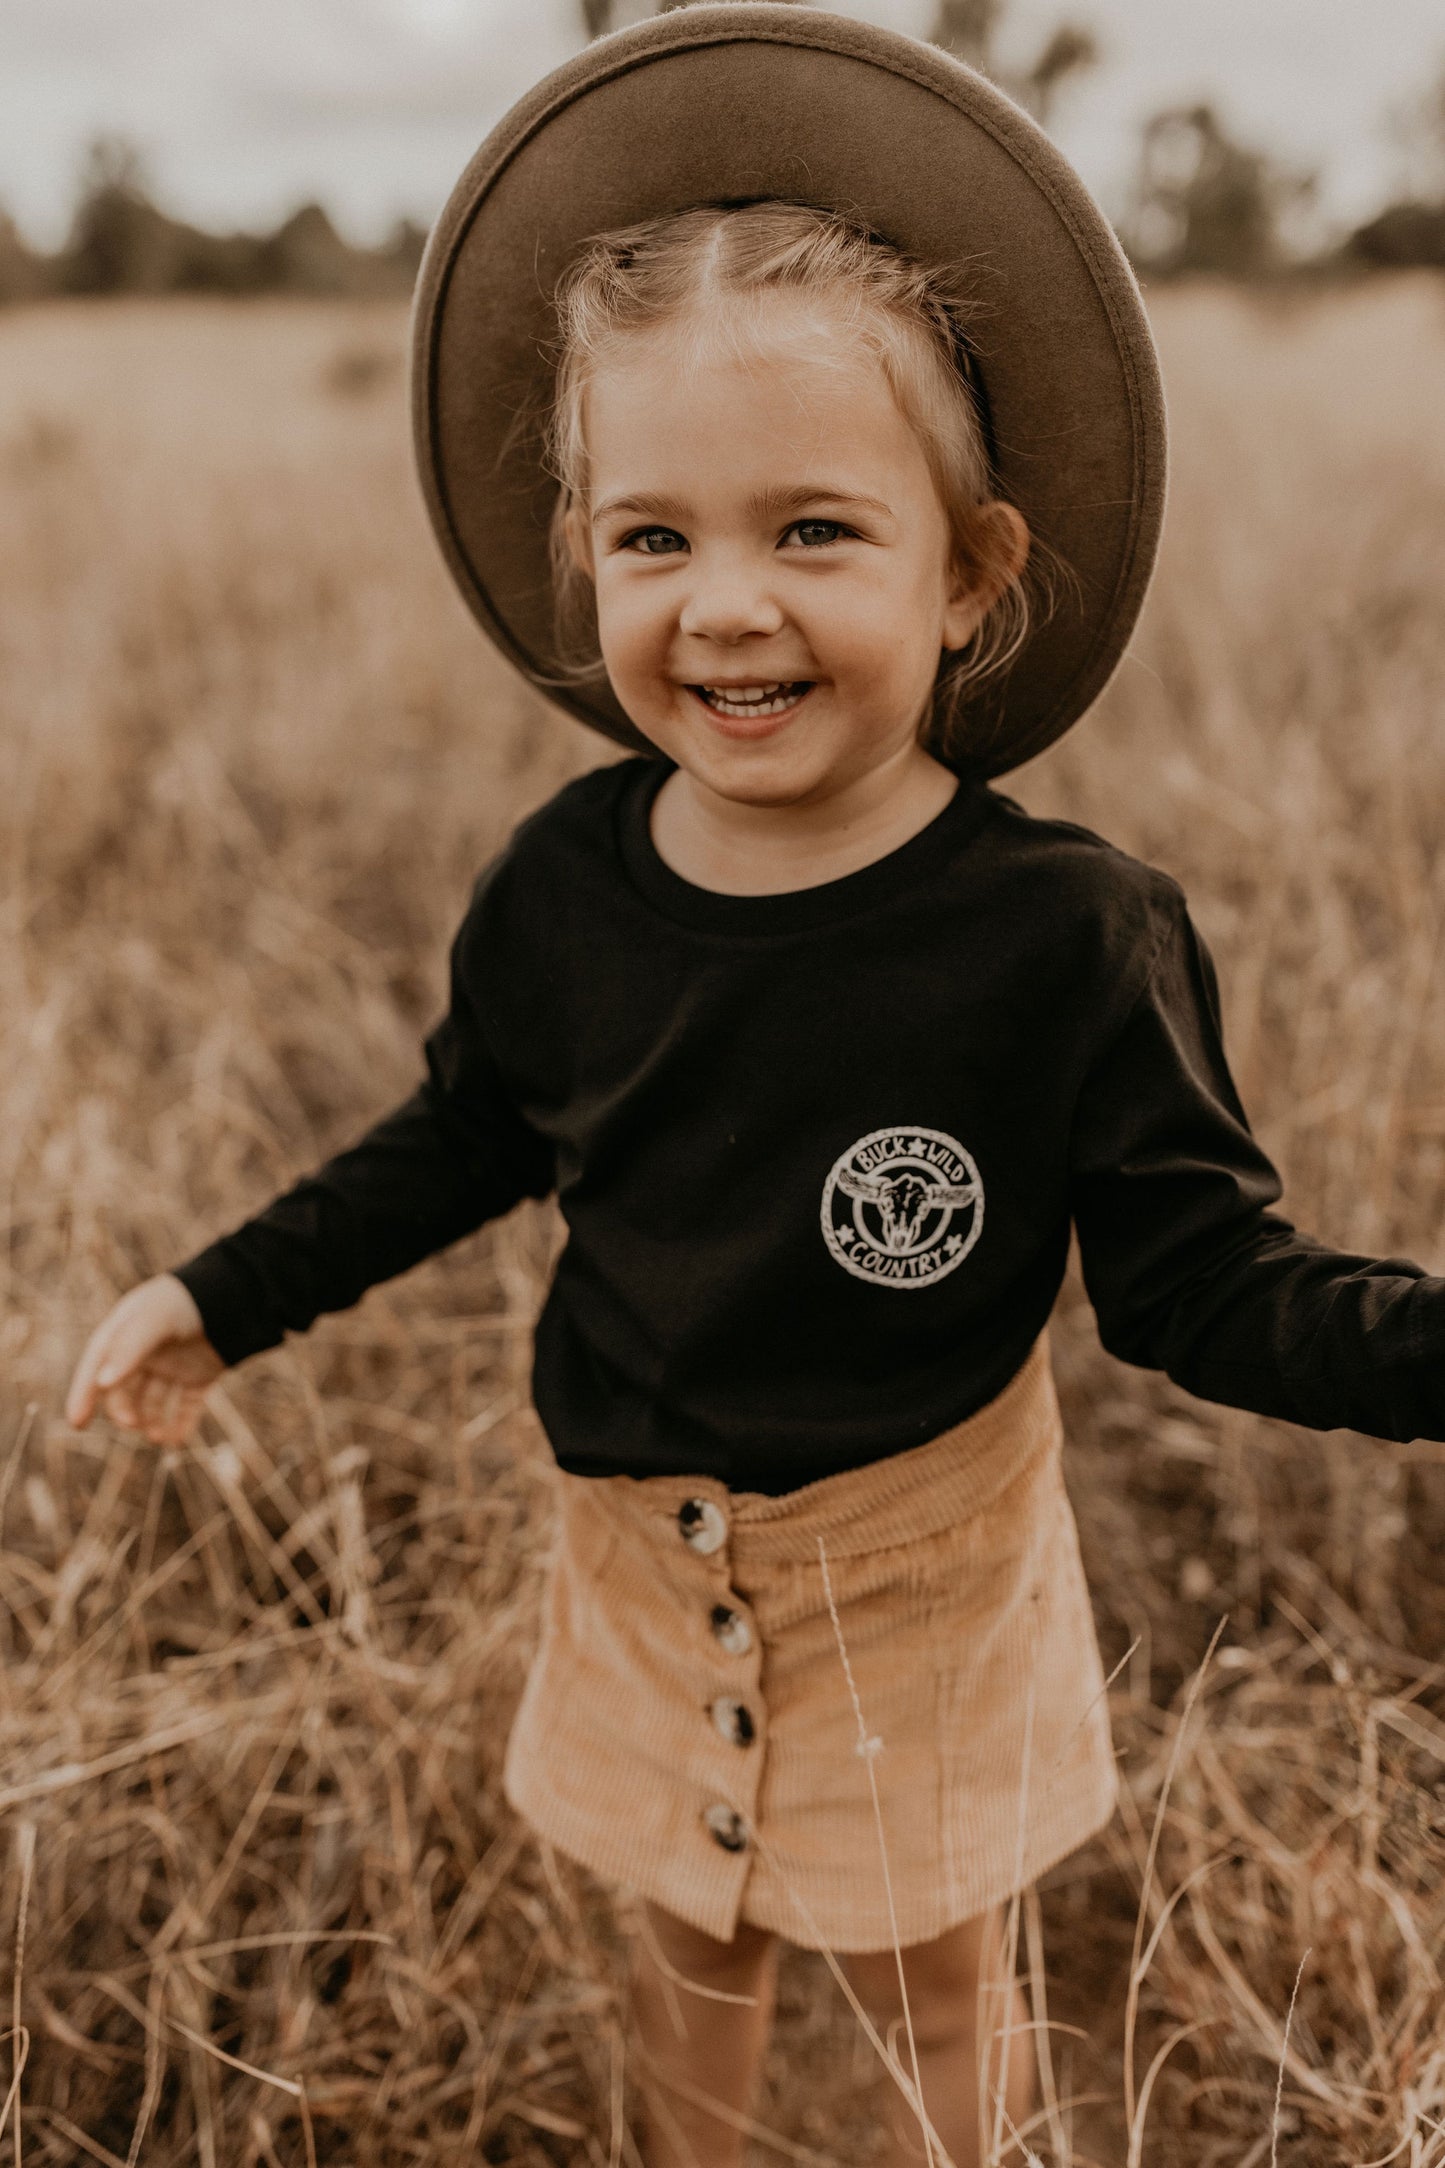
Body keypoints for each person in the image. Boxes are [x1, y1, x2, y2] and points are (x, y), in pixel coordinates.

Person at [63, 10, 1445, 2166]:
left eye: (815, 530)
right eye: (651, 539)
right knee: (687, 1947)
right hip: (636, 1561)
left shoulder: (1068, 935)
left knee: (928, 1988)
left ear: (969, 569)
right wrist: (216, 1295)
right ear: (579, 557)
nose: (726, 609)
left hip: (921, 1575)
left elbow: (1206, 1290)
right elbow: (465, 1134)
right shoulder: (559, 893)